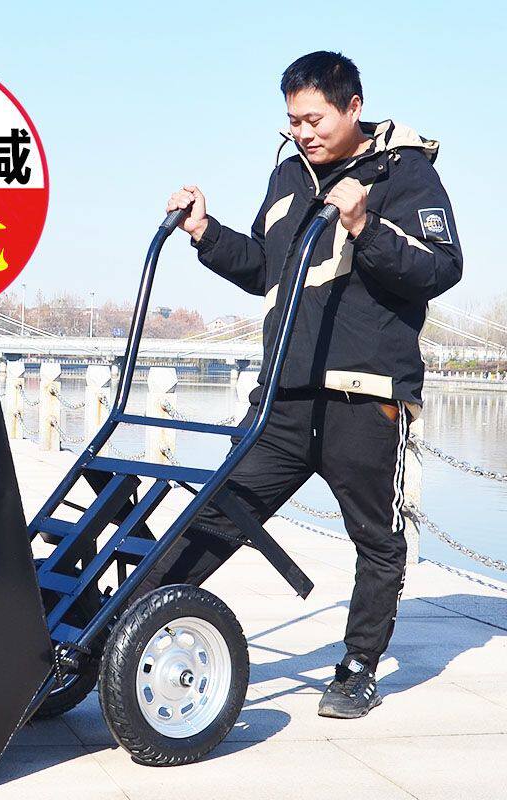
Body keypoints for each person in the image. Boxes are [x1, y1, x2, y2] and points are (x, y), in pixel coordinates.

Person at [160, 51, 463, 718]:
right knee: (218, 513)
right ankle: (117, 632)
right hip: (284, 395)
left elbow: (441, 269)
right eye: (293, 120)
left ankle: (357, 668)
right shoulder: (287, 174)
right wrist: (205, 233)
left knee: (376, 540)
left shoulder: (405, 173)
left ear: (354, 107)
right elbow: (264, 270)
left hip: (364, 396)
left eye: (315, 119)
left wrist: (364, 226)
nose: (303, 132)